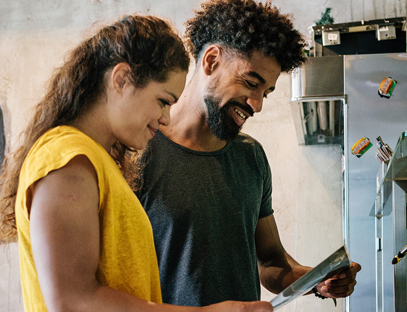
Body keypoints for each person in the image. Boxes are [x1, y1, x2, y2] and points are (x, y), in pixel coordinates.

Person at [0, 15, 273, 312]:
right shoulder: (68, 158)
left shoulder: (98, 161)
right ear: (121, 79)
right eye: (163, 101)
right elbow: (72, 301)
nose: (165, 117)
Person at [137, 0, 362, 307]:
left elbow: (270, 261)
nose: (257, 104)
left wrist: (317, 281)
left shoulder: (251, 158)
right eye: (250, 83)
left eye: (266, 92)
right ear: (212, 60)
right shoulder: (138, 152)